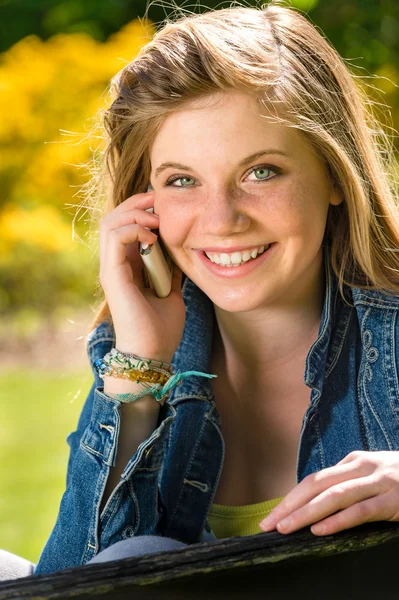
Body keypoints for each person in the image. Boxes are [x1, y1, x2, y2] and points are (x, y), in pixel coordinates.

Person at [2, 0, 399, 580]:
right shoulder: (145, 360)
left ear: (335, 176)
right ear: (146, 204)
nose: (222, 219)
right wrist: (139, 369)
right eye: (182, 181)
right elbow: (72, 582)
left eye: (261, 171)